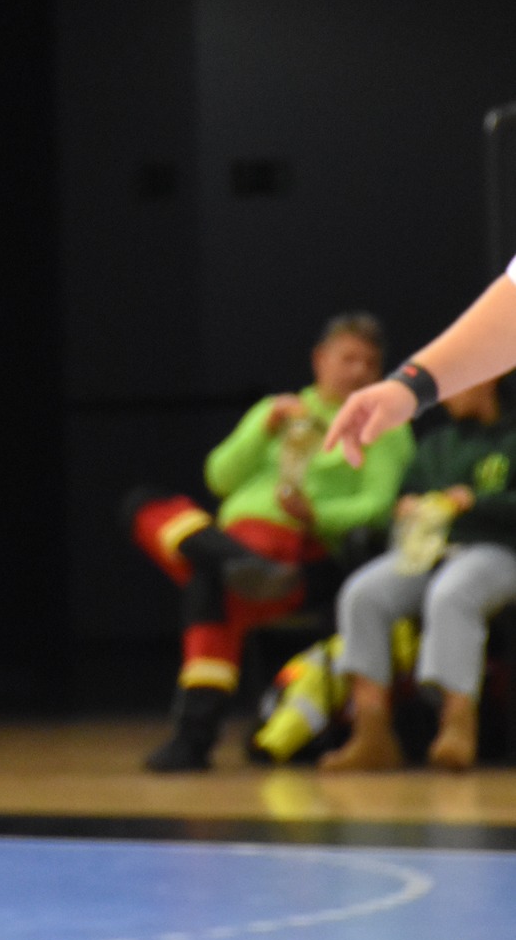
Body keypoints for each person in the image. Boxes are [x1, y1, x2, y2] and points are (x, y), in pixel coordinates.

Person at [126, 313, 413, 771]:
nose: (360, 371)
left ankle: (194, 737)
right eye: (349, 359)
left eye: (371, 362)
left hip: (300, 551)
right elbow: (219, 476)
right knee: (141, 503)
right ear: (319, 360)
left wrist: (317, 514)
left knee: (210, 588)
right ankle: (233, 562)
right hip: (239, 540)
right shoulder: (277, 410)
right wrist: (263, 428)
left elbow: (378, 505)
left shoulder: (385, 424)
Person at [322, 377, 516, 772]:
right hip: (431, 551)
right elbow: (405, 493)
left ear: (487, 380)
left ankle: (457, 724)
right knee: (363, 594)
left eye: (458, 383)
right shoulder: (436, 445)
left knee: (452, 593)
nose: (446, 396)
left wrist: (475, 502)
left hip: (500, 549)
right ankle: (371, 731)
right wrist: (408, 506)